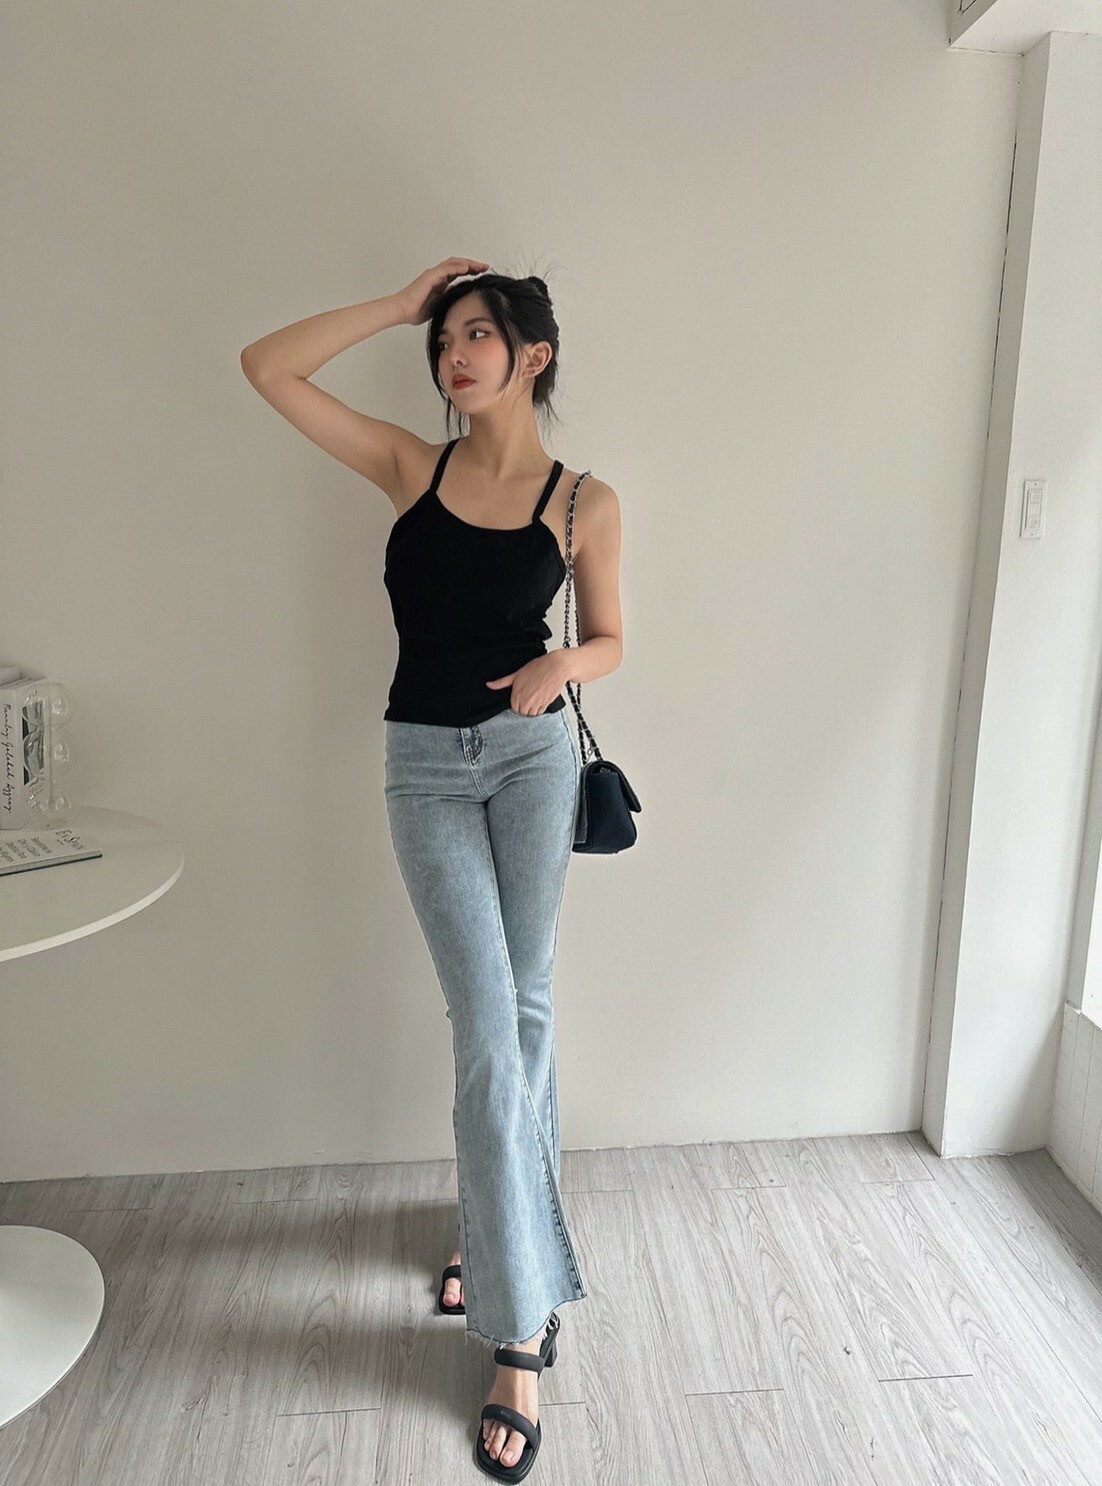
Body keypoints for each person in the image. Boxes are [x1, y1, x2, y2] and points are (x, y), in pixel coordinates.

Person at [240, 258, 624, 1479]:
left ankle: (511, 1315)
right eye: (444, 338)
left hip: (529, 760)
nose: (454, 355)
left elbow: (612, 639)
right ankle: (517, 1289)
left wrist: (561, 666)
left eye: (477, 335)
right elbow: (267, 368)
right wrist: (398, 305)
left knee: (521, 1011)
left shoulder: (582, 500)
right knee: (490, 1024)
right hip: (423, 765)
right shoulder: (416, 467)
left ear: (533, 355)